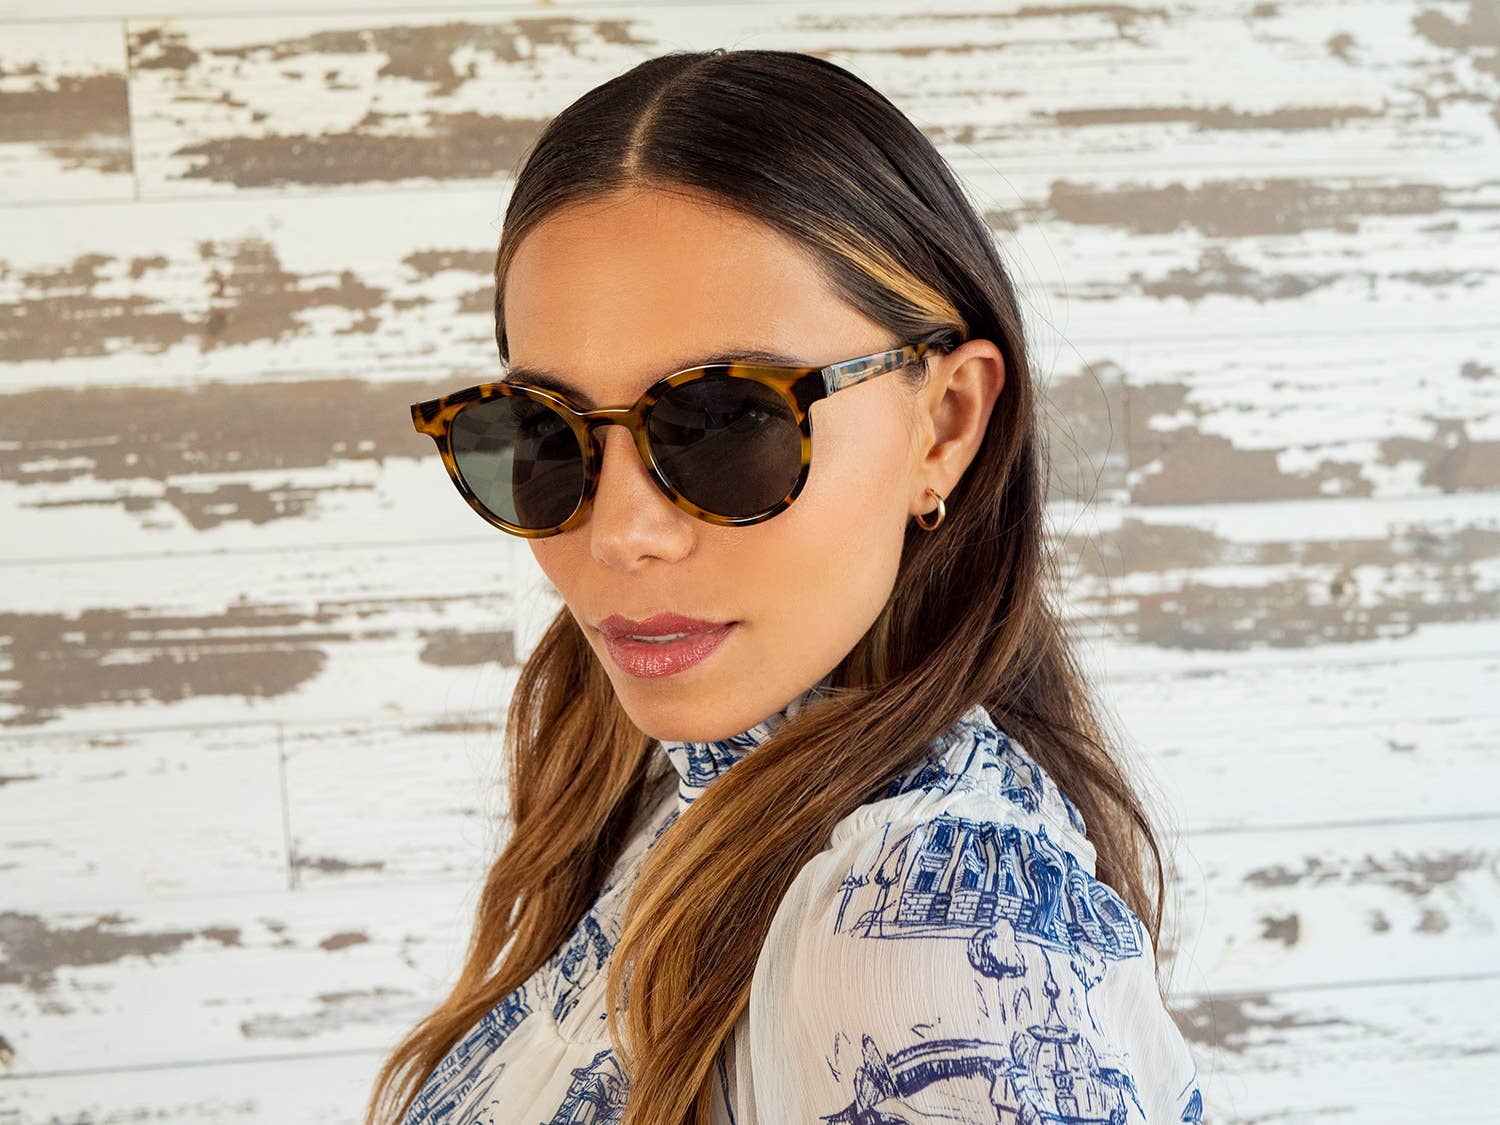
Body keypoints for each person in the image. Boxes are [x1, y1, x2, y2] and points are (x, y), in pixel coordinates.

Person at [373, 47, 1204, 1125]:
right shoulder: (662, 788)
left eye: (728, 425)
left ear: (945, 424)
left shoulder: (925, 948)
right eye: (544, 431)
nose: (619, 533)